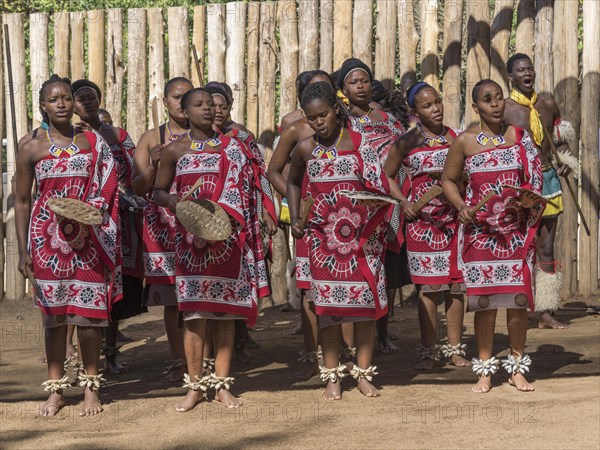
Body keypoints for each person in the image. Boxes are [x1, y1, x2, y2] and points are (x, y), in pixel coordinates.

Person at [15, 75, 122, 416]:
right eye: (53, 99)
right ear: (42, 106)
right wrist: (23, 250)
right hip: (47, 242)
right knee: (55, 319)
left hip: (89, 239)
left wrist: (95, 212)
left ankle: (91, 388)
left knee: (89, 319)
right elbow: (20, 201)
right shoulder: (31, 147)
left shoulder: (92, 141)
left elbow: (110, 182)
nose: (61, 103)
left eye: (66, 98)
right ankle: (56, 390)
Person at [154, 88, 260, 411]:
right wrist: (171, 200)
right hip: (190, 244)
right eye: (199, 104)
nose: (208, 109)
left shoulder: (234, 148)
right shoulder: (175, 150)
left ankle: (223, 384)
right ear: (184, 112)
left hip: (226, 241)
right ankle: (195, 386)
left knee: (224, 315)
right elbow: (157, 191)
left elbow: (247, 185)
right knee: (194, 316)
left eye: (212, 104)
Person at [287, 81, 392, 400]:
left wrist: (373, 205)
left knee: (363, 312)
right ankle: (332, 377)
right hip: (324, 244)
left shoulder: (360, 143)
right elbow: (292, 180)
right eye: (312, 118)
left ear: (336, 110)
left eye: (324, 114)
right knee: (328, 313)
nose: (319, 122)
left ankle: (362, 375)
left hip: (362, 240)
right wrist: (295, 217)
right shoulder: (305, 148)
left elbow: (380, 187)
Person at [442, 79, 544, 393]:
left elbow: (535, 178)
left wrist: (530, 198)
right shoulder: (464, 141)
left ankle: (516, 368)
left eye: (499, 98)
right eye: (487, 100)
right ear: (476, 107)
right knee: (484, 305)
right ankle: (485, 371)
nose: (496, 104)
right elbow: (447, 180)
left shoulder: (519, 137)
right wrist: (461, 206)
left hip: (514, 236)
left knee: (517, 302)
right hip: (481, 236)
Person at [384, 82, 469, 369]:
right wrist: (403, 203)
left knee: (456, 288)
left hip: (454, 222)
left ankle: (455, 349)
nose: (435, 109)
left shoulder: (457, 138)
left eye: (438, 102)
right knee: (430, 289)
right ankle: (428, 351)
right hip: (421, 226)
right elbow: (388, 177)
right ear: (415, 112)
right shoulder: (407, 142)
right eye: (427, 105)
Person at [72, 79, 146, 374]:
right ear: (74, 105)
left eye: (92, 97)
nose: (87, 103)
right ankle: (80, 360)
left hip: (118, 220)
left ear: (99, 100)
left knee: (115, 287)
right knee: (82, 288)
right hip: (80, 223)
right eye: (81, 99)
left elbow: (134, 173)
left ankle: (111, 352)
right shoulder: (70, 137)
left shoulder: (118, 135)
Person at [267, 70, 336, 379]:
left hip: (346, 220)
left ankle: (344, 351)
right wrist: (298, 203)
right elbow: (275, 171)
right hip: (310, 221)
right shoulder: (296, 131)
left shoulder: (349, 131)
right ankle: (312, 351)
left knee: (345, 282)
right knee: (310, 288)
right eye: (312, 89)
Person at [503, 53, 578, 329]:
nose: (527, 73)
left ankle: (545, 311)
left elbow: (560, 144)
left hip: (548, 180)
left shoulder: (548, 105)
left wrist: (566, 161)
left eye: (530, 68)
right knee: (516, 245)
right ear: (510, 76)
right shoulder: (505, 109)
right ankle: (515, 306)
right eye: (521, 70)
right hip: (519, 183)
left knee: (546, 246)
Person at [204, 82, 277, 363]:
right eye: (213, 105)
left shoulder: (243, 136)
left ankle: (241, 337)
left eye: (224, 105)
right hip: (207, 218)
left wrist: (266, 212)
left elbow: (260, 177)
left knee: (243, 277)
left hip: (243, 216)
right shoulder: (196, 139)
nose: (218, 110)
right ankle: (212, 349)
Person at [337, 58, 406, 354]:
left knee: (385, 272)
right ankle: (351, 342)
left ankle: (383, 333)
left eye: (364, 80)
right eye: (353, 82)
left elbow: (403, 152)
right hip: (356, 206)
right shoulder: (341, 121)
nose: (360, 86)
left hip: (389, 202)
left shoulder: (388, 119)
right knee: (357, 270)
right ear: (343, 89)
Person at [132, 77, 194, 382]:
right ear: (166, 101)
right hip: (163, 226)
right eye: (175, 97)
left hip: (199, 222)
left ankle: (202, 360)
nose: (181, 103)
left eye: (187, 97)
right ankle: (177, 359)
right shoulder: (149, 138)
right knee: (172, 298)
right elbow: (138, 186)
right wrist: (153, 166)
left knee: (197, 293)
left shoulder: (207, 136)